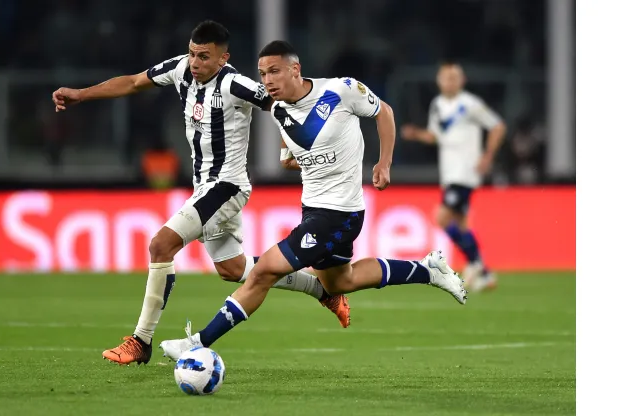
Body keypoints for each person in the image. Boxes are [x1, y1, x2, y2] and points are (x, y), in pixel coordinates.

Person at [51, 22, 350, 366]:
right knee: (232, 268)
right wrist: (80, 94)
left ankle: (141, 340)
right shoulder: (181, 68)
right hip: (204, 186)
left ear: (223, 59)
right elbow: (134, 82)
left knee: (161, 244)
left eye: (204, 56)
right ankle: (324, 290)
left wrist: (290, 149)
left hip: (227, 186)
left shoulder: (235, 83)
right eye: (193, 53)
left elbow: (284, 105)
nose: (194, 62)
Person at [159, 41, 467, 360]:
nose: (267, 80)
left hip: (339, 213)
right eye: (263, 74)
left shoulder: (341, 91)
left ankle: (197, 342)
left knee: (265, 271)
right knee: (339, 282)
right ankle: (429, 270)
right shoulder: (278, 109)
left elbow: (384, 112)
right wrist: (289, 157)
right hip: (313, 209)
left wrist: (383, 162)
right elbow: (293, 149)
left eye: (275, 71)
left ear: (296, 69)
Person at [401, 62, 506, 293]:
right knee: (460, 224)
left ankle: (476, 265)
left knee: (441, 217)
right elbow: (435, 136)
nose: (450, 81)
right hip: (449, 173)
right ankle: (483, 273)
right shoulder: (437, 105)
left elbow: (497, 126)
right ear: (439, 81)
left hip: (466, 172)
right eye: (446, 77)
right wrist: (416, 134)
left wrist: (488, 156)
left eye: (454, 77)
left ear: (462, 80)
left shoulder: (470, 104)